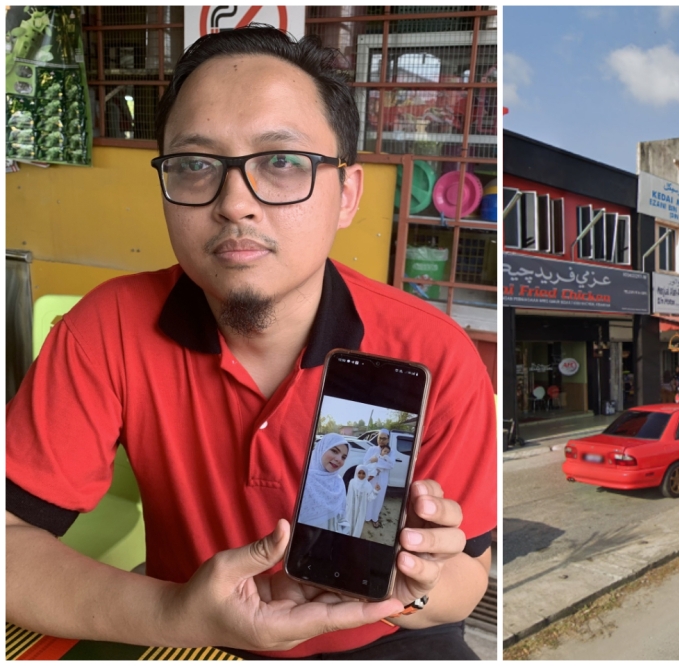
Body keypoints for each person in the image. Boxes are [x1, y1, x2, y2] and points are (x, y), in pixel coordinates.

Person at [6, 26, 496, 660]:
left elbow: (466, 582)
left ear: (346, 195)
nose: (235, 203)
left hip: (380, 636)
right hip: (195, 632)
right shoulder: (106, 328)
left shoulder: (433, 351)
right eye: (194, 164)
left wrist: (416, 587)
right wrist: (174, 613)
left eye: (282, 161)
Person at [298, 435, 350, 534]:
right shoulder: (303, 479)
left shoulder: (339, 483)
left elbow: (342, 515)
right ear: (321, 449)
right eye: (334, 451)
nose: (339, 459)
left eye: (344, 457)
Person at [364, 430, 395, 529]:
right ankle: (366, 517)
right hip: (371, 479)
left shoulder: (391, 451)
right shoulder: (371, 449)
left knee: (378, 499)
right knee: (369, 497)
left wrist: (377, 460)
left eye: (384, 438)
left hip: (382, 479)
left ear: (388, 439)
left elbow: (391, 465)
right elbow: (365, 462)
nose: (381, 440)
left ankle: (375, 518)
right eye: (380, 438)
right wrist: (377, 464)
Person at [345, 464, 380, 538]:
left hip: (361, 510)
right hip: (351, 508)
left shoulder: (368, 485)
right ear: (356, 473)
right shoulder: (352, 482)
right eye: (359, 473)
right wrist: (347, 506)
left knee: (358, 524)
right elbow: (349, 495)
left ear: (366, 474)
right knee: (348, 522)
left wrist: (375, 491)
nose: (361, 475)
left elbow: (370, 498)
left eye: (363, 473)